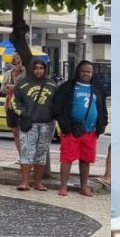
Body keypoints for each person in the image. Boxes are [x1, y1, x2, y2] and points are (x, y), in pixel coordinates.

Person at [53, 59, 107, 198]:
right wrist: (65, 126)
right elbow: (58, 107)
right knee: (67, 159)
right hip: (71, 130)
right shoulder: (68, 87)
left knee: (86, 160)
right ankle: (63, 187)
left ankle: (84, 187)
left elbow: (102, 108)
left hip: (90, 131)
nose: (86, 74)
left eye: (89, 71)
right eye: (83, 71)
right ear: (78, 72)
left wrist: (101, 126)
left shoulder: (97, 88)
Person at [12, 59, 57, 192]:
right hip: (29, 124)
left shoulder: (52, 85)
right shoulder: (22, 85)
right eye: (36, 68)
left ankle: (38, 183)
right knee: (27, 151)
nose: (38, 70)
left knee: (41, 153)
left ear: (45, 69)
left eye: (41, 68)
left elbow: (58, 103)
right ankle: (24, 182)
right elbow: (15, 102)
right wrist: (23, 114)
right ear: (31, 69)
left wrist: (54, 116)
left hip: (47, 124)